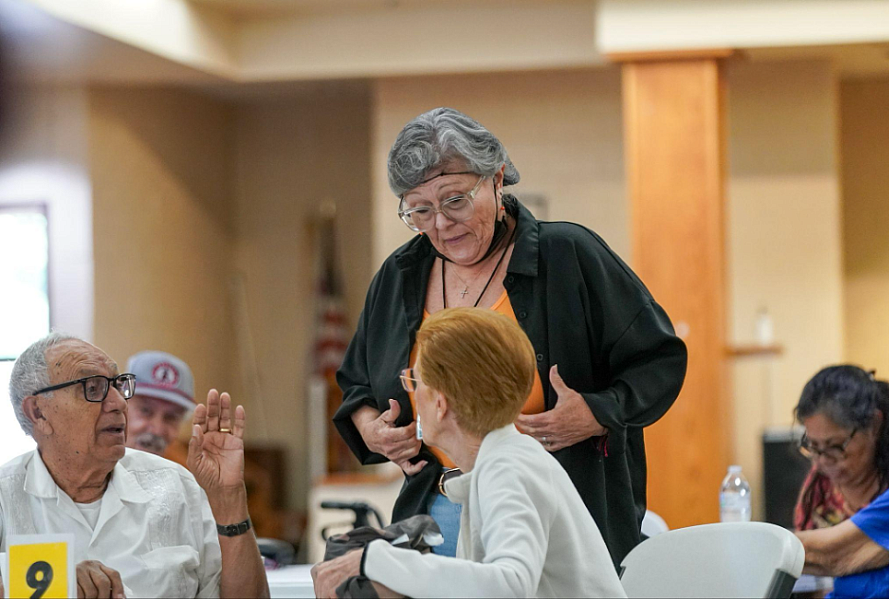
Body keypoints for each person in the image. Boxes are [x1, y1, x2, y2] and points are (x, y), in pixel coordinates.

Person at [333, 107, 687, 565]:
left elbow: (659, 360)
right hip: (439, 509)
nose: (440, 223)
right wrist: (374, 430)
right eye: (420, 210)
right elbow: (357, 383)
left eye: (455, 200)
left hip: (558, 502)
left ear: (497, 179)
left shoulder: (568, 256)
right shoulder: (401, 275)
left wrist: (597, 412)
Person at [315, 308, 627, 598]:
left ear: (440, 402)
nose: (412, 395)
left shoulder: (508, 468)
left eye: (415, 381)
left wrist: (376, 559)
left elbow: (510, 586)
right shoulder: (502, 461)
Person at [0, 333, 269, 598]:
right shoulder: (5, 498)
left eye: (118, 385)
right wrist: (56, 585)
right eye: (92, 389)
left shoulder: (178, 486)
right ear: (38, 413)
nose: (118, 402)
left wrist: (229, 498)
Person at [792, 365, 889, 598]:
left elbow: (832, 554)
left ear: (874, 425)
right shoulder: (819, 487)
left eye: (835, 446)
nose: (822, 462)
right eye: (814, 447)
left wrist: (751, 545)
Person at [125, 350, 195, 458]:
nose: (157, 430)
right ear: (120, 409)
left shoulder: (184, 471)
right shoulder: (92, 467)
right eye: (145, 411)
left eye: (171, 417)